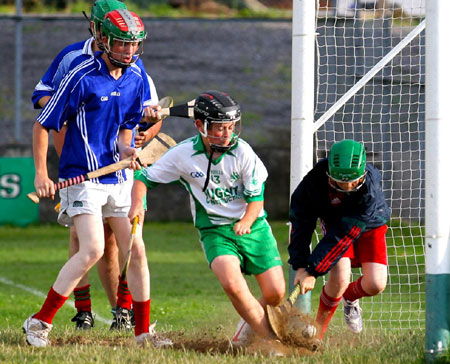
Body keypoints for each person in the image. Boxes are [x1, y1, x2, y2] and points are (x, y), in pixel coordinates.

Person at [23, 9, 171, 348]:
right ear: (103, 39)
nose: (129, 51)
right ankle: (39, 322)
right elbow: (42, 123)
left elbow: (126, 127)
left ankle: (142, 332)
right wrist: (41, 174)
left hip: (116, 178)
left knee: (136, 249)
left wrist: (127, 151)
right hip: (80, 176)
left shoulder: (135, 77)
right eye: (122, 43)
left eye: (134, 44)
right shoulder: (80, 75)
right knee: (92, 249)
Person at [128, 90, 286, 345]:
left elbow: (257, 200)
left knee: (276, 293)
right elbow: (144, 178)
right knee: (233, 284)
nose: (228, 134)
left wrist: (246, 221)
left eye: (231, 127)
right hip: (214, 231)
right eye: (221, 128)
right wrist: (138, 203)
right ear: (200, 125)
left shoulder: (244, 153)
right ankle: (268, 340)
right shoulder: (183, 154)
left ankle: (248, 326)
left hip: (253, 226)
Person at [288, 139, 391, 339]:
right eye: (340, 182)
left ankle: (350, 299)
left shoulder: (370, 190)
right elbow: (301, 223)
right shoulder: (313, 183)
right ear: (329, 173)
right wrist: (301, 265)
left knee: (376, 284)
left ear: (363, 173)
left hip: (369, 224)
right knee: (340, 278)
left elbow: (344, 235)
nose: (348, 186)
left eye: (353, 181)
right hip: (335, 223)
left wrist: (313, 271)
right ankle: (317, 334)